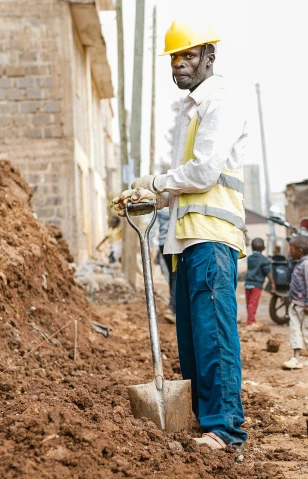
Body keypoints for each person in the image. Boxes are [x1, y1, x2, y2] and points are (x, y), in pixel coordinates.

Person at [113, 18, 248, 450]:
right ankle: (201, 419)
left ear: (210, 56)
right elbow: (179, 187)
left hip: (212, 238)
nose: (180, 65)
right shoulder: (190, 113)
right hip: (185, 243)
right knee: (191, 342)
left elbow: (205, 171)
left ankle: (225, 428)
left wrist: (154, 182)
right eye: (174, 58)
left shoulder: (220, 103)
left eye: (189, 55)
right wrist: (146, 197)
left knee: (214, 336)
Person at [282, 236, 308, 370]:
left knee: (307, 330)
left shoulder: (306, 265)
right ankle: (296, 358)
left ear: (299, 251)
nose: (289, 252)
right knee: (295, 330)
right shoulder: (299, 263)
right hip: (295, 304)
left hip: (306, 306)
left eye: (291, 249)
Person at [244, 238, 273, 330]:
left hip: (248, 283)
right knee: (253, 303)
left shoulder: (249, 258)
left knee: (249, 303)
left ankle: (251, 319)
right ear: (264, 248)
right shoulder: (264, 260)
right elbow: (267, 272)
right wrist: (272, 282)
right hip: (256, 285)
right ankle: (250, 322)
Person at [156, 207, 176, 323]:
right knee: (176, 275)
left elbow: (153, 227)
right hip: (174, 242)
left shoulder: (160, 204)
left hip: (162, 243)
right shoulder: (174, 198)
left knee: (173, 275)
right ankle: (172, 308)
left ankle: (173, 306)